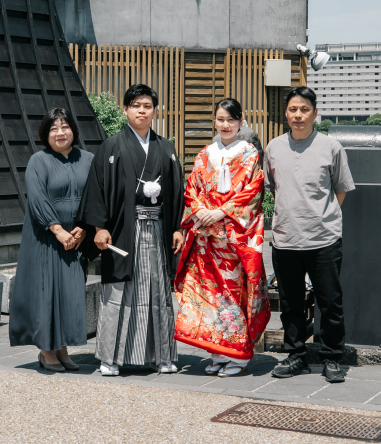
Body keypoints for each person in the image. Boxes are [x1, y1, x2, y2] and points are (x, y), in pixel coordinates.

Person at [77, 84, 184, 377]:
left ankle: (161, 356)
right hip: (124, 229)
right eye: (136, 105)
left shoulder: (166, 147)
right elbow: (97, 189)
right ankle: (110, 358)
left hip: (159, 229)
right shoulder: (112, 145)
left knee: (158, 290)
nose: (142, 111)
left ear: (154, 110)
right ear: (126, 110)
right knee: (119, 291)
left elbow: (176, 192)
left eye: (147, 106)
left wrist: (176, 227)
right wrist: (99, 227)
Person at [264, 87, 355, 383]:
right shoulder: (273, 148)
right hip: (285, 238)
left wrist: (322, 217)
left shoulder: (331, 147)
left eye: (304, 109)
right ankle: (295, 356)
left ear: (315, 113)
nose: (298, 115)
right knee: (290, 303)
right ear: (286, 114)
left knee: (330, 301)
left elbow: (341, 189)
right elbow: (271, 188)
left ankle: (331, 357)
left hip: (323, 239)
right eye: (293, 109)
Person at [174, 98, 270, 377]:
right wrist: (202, 210)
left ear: (241, 122)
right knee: (209, 296)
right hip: (206, 240)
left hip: (233, 241)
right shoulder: (205, 154)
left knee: (233, 295)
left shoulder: (249, 153)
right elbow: (192, 188)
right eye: (220, 119)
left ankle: (238, 355)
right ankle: (217, 352)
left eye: (231, 119)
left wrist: (221, 213)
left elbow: (252, 192)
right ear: (214, 122)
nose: (225, 125)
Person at [9, 108, 95, 373]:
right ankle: (46, 351)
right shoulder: (39, 160)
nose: (60, 133)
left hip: (76, 239)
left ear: (73, 130)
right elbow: (37, 198)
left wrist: (84, 227)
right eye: (54, 129)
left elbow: (95, 197)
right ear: (45, 134)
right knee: (46, 293)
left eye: (65, 127)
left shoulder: (88, 159)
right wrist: (57, 230)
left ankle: (63, 348)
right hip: (45, 237)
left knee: (70, 294)